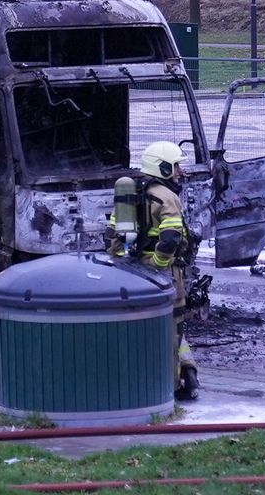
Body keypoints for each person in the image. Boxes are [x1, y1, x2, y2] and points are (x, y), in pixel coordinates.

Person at [108, 141, 200, 401]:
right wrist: (160, 267)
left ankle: (149, 378)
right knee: (172, 327)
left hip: (134, 269)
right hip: (166, 271)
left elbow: (112, 235)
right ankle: (172, 386)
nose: (180, 172)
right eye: (176, 166)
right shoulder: (167, 197)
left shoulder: (130, 193)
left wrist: (122, 262)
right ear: (163, 167)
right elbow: (171, 238)